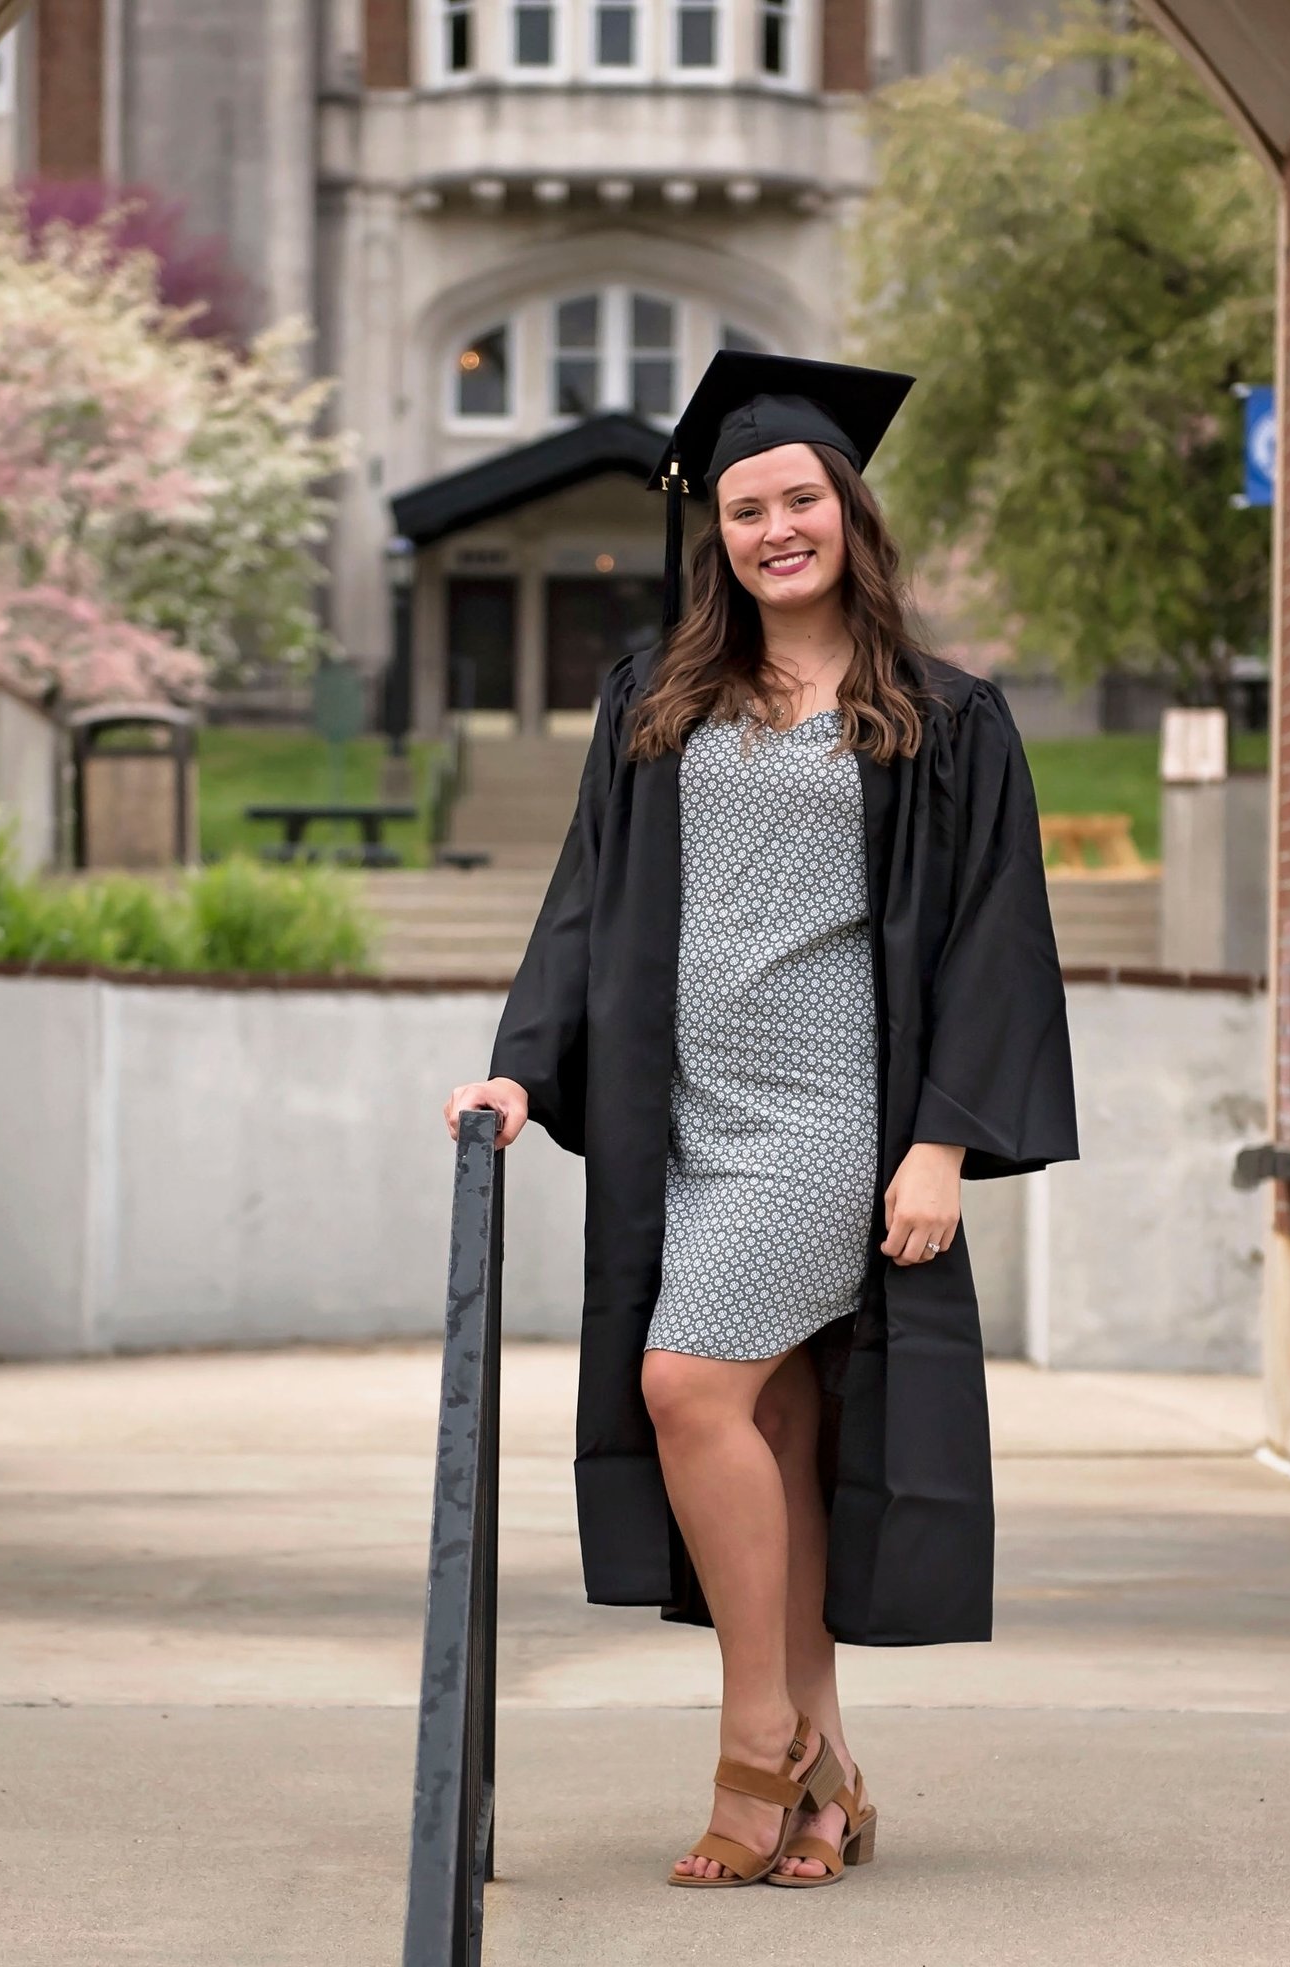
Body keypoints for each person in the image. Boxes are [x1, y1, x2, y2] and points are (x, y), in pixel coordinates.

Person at [443, 351, 1077, 1890]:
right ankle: (833, 1777)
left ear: (849, 514)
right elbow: (586, 904)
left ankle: (755, 1740)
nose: (775, 528)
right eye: (745, 508)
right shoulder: (658, 700)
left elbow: (996, 938)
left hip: (829, 1121)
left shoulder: (943, 720)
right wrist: (523, 1063)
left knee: (683, 1386)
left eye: (800, 499)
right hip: (688, 1121)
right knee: (775, 1443)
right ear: (713, 531)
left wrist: (940, 1142)